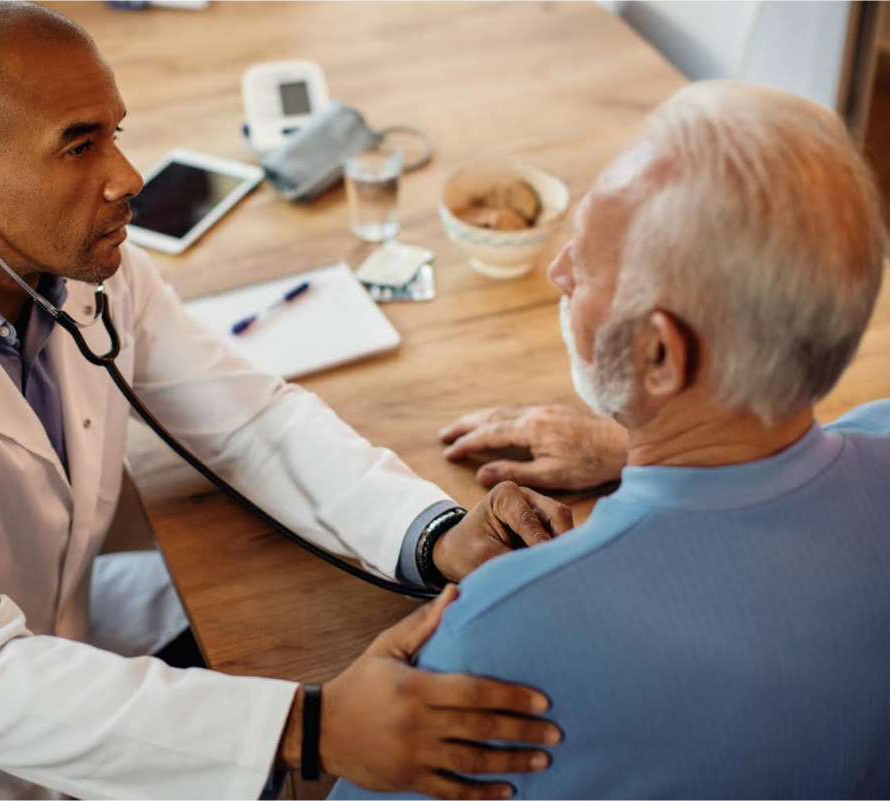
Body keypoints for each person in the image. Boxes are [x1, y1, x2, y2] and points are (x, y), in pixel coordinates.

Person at [0, 2, 568, 799]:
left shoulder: (75, 270)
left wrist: (433, 536)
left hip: (58, 636)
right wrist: (310, 726)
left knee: (294, 628)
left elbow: (250, 419)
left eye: (116, 133)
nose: (127, 176)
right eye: (79, 145)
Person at [331, 80, 890, 801]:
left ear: (660, 356)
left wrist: (312, 729)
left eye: (586, 263)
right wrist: (633, 444)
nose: (559, 271)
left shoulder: (499, 635)